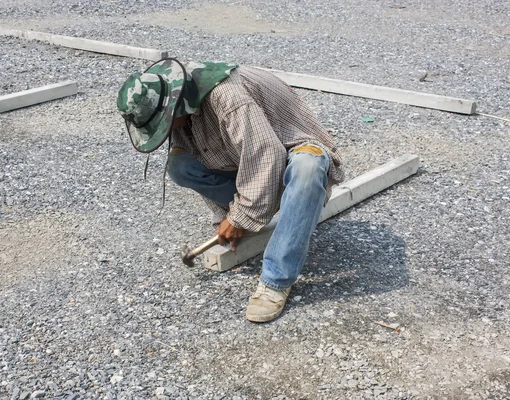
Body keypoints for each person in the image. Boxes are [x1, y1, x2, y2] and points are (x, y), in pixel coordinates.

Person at [117, 58, 343, 322]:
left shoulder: (228, 97)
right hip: (251, 158)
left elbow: (266, 154)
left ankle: (276, 280)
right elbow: (196, 152)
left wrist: (240, 218)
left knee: (307, 168)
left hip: (292, 147)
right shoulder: (177, 99)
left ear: (172, 106)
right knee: (180, 165)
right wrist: (227, 216)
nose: (162, 133)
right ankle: (259, 208)